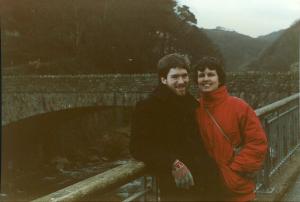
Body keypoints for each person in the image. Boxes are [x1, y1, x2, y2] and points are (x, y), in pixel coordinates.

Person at [130, 53, 220, 201]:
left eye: (184, 76)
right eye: (175, 77)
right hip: (178, 187)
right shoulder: (148, 107)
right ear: (163, 79)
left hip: (206, 181)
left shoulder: (192, 104)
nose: (181, 81)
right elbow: (138, 147)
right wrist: (172, 162)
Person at [194, 56, 268, 202]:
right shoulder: (194, 110)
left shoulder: (239, 107)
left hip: (236, 189)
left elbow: (258, 143)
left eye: (211, 74)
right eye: (201, 75)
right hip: (206, 188)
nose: (205, 79)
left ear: (219, 78)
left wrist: (233, 170)